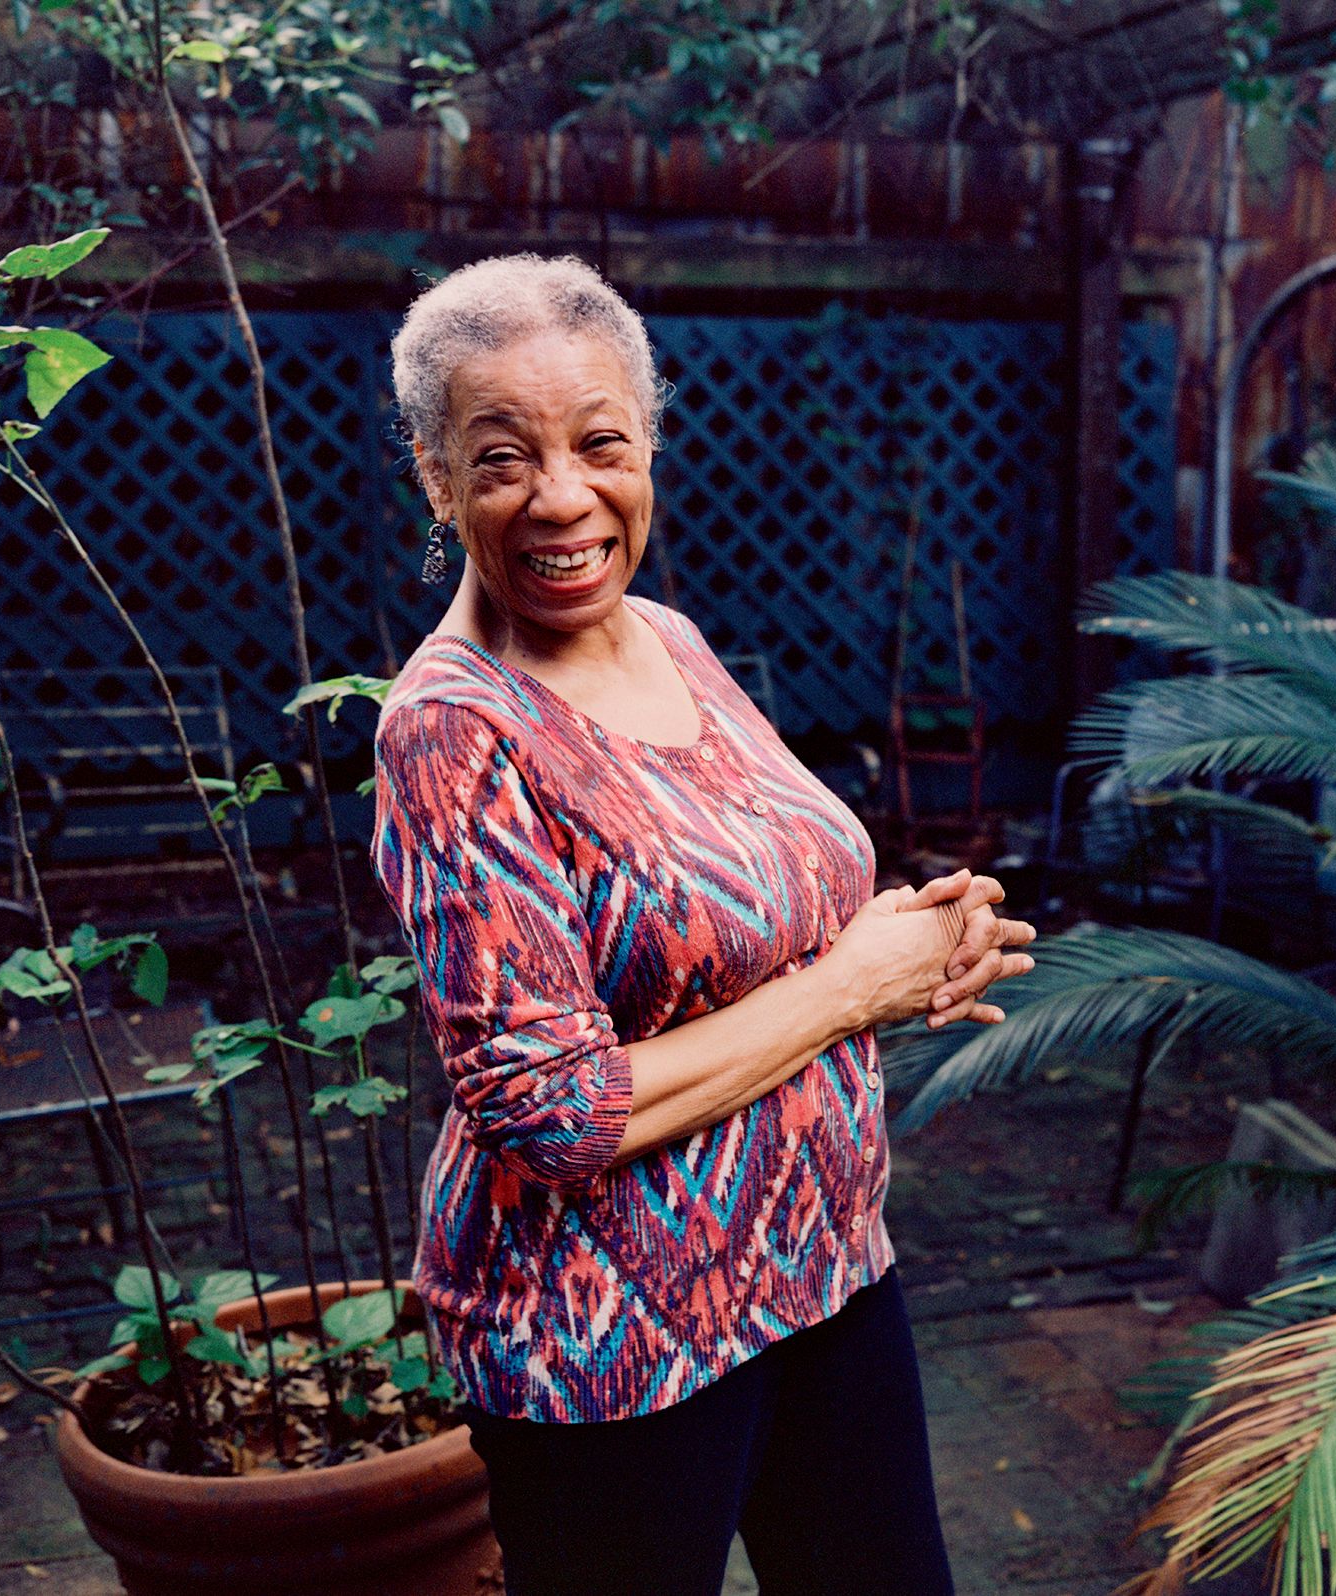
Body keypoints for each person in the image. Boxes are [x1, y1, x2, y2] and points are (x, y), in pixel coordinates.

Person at [370, 253, 1037, 1596]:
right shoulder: (454, 732)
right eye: (502, 460)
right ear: (438, 482)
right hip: (609, 1335)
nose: (563, 496)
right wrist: (852, 987)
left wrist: (911, 941)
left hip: (823, 1266)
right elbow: (551, 1112)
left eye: (599, 443)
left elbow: (756, 907)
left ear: (648, 445)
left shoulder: (669, 637)